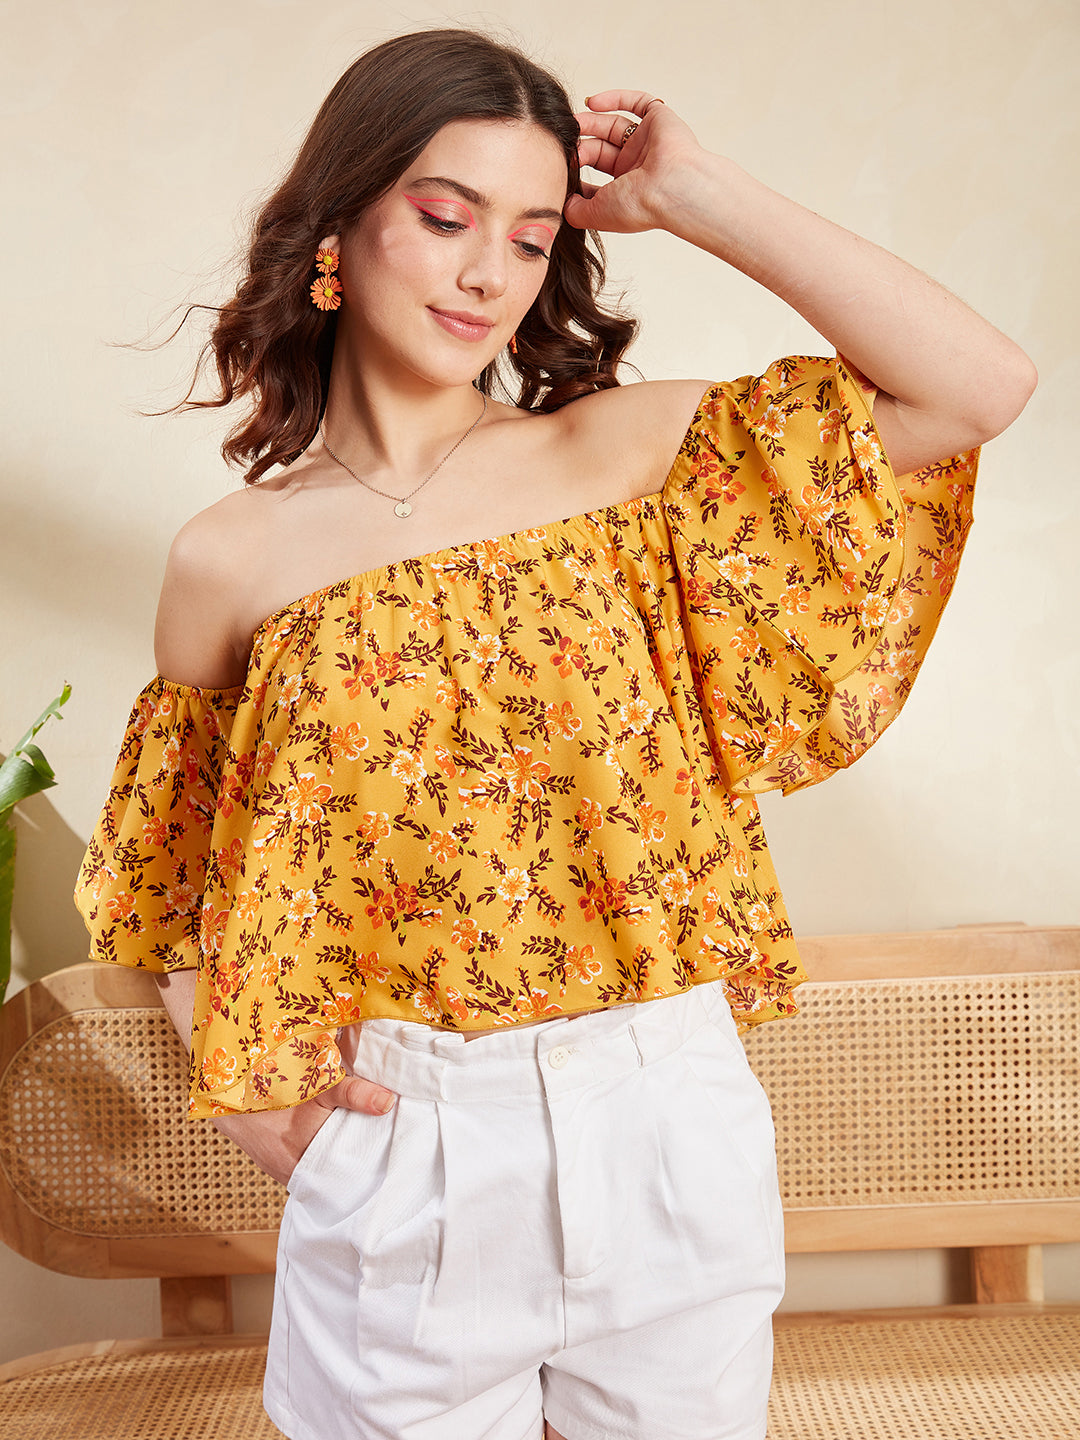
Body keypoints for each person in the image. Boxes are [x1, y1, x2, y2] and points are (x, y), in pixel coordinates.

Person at [75, 26, 1035, 1440]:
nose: (487, 272)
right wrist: (255, 1111)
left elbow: (975, 386)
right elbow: (169, 884)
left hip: (664, 1112)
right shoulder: (229, 560)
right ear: (338, 227)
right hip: (407, 1145)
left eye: (530, 240)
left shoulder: (622, 459)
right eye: (445, 216)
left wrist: (695, 193)